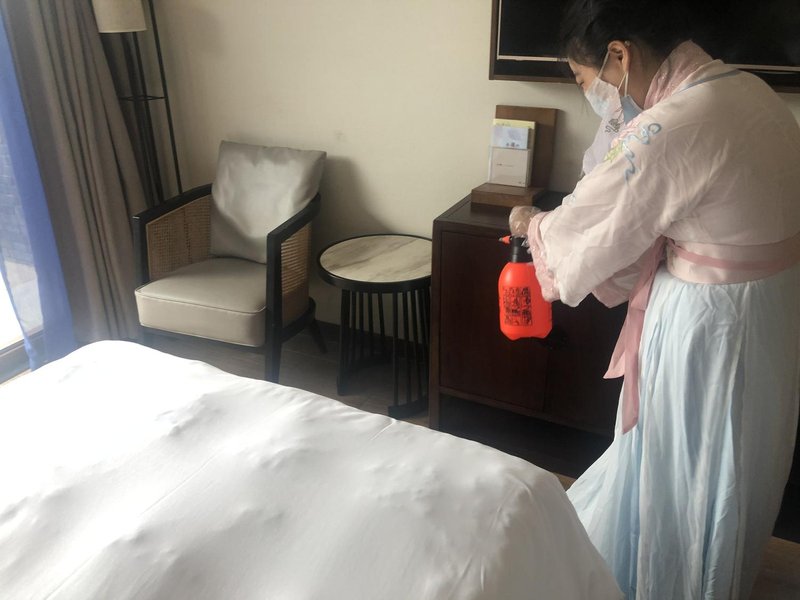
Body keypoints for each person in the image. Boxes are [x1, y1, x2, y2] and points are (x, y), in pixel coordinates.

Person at [509, 1, 800, 598]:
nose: (595, 95)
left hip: (710, 324)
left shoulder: (672, 123)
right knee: (736, 466)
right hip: (771, 311)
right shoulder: (752, 92)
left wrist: (528, 223)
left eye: (585, 80)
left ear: (619, 54)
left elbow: (584, 230)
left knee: (685, 466)